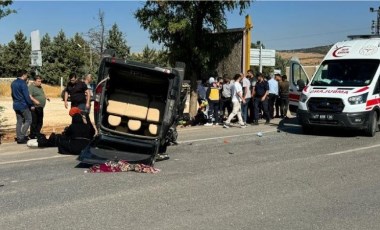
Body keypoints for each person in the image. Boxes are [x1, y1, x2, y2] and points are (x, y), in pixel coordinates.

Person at [11, 70, 35, 144]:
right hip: (23, 105)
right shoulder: (23, 83)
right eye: (26, 75)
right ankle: (21, 137)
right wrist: (31, 104)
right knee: (29, 120)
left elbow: (12, 94)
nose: (27, 76)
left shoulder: (13, 83)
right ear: (23, 75)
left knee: (19, 121)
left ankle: (19, 137)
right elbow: (26, 96)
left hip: (16, 105)